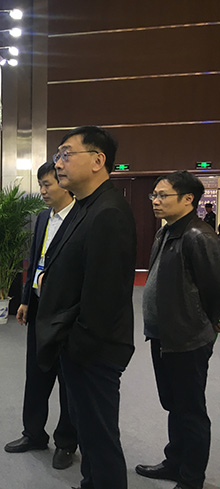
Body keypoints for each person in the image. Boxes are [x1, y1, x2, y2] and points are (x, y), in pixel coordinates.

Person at [34, 126, 137, 489]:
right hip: (77, 344)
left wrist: (76, 345)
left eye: (66, 154)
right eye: (58, 156)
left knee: (100, 439)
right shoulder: (84, 207)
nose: (58, 164)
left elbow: (105, 296)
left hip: (93, 350)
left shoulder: (109, 212)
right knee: (91, 437)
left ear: (97, 161)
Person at [135, 171, 220, 489]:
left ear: (188, 199)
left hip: (188, 338)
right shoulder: (165, 232)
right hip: (163, 334)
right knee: (174, 403)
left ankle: (191, 477)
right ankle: (175, 462)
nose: (155, 201)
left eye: (162, 195)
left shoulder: (199, 236)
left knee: (190, 408)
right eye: (154, 195)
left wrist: (207, 329)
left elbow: (215, 290)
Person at [5, 161, 78, 470]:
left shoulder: (81, 217)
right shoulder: (43, 218)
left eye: (48, 184)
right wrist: (25, 300)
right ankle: (33, 433)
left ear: (65, 183)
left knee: (68, 382)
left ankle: (66, 443)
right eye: (40, 185)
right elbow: (35, 260)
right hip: (38, 309)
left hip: (67, 315)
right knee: (35, 376)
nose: (43, 191)